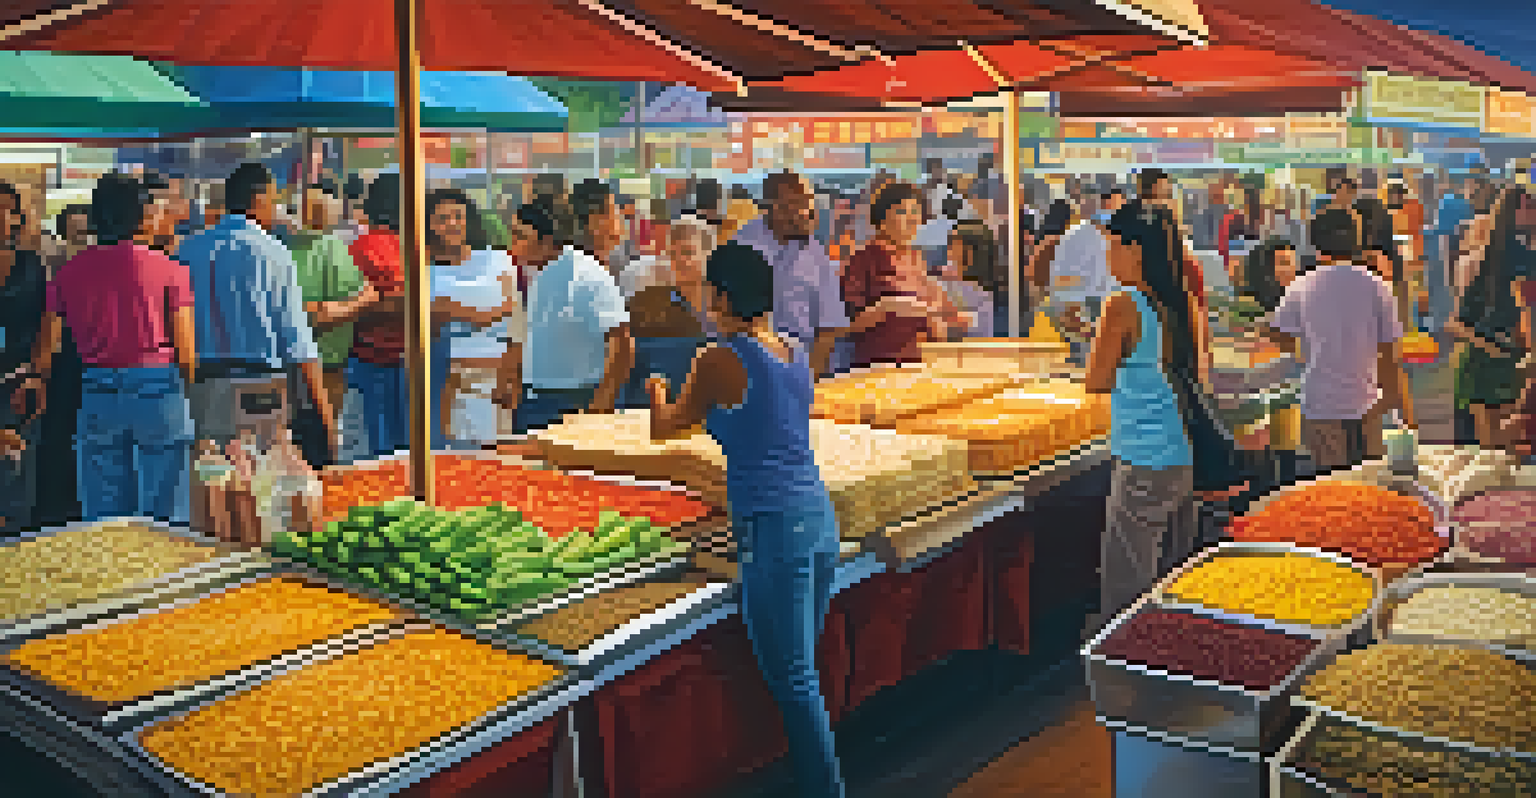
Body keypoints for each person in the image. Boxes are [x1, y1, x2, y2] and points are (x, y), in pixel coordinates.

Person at [647, 241, 845, 798]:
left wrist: (657, 390)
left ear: (724, 296)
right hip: (817, 518)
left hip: (774, 528)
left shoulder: (720, 357)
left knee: (796, 680)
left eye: (710, 290)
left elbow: (668, 428)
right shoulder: (792, 351)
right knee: (802, 669)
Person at [38, 173, 197, 523]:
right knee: (165, 511)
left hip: (97, 393)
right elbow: (187, 354)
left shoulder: (67, 273)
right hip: (159, 393)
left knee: (103, 512)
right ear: (141, 218)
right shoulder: (173, 271)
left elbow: (46, 351)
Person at [1085, 202, 1196, 625]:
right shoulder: (1181, 301)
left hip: (1144, 461)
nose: (1109, 256)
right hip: (1181, 453)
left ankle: (1130, 674)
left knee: (1128, 587)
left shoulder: (1122, 305)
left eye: (1113, 246)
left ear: (1135, 250)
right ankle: (1169, 664)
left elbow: (1097, 379)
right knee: (1172, 577)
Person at [177, 163, 336, 457]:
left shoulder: (186, 249)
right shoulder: (273, 252)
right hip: (261, 386)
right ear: (259, 199)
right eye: (274, 201)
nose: (276, 210)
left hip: (199, 385)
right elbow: (298, 340)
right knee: (261, 482)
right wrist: (325, 415)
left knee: (210, 480)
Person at [1267, 208, 1413, 473]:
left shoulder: (1302, 285)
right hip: (1368, 404)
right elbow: (1392, 354)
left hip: (1320, 404)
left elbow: (1278, 333)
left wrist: (1305, 346)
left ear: (1314, 243)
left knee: (1333, 492)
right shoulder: (1377, 285)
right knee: (1369, 490)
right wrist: (1395, 404)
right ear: (1358, 240)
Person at [518, 179, 634, 433]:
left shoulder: (580, 271)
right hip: (552, 399)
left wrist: (600, 407)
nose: (622, 222)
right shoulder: (564, 271)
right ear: (596, 220)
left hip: (573, 398)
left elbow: (621, 343)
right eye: (615, 211)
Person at [427, 187, 523, 448]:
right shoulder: (426, 271)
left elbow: (514, 315)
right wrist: (487, 313)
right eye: (442, 219)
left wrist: (460, 312)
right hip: (450, 379)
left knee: (497, 457)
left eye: (458, 216)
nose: (452, 224)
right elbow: (428, 323)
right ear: (430, 226)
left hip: (497, 376)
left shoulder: (498, 259)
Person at [291, 182, 376, 467]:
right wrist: (352, 303)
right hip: (322, 366)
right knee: (321, 449)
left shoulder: (276, 245)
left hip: (291, 366)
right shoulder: (329, 246)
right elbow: (320, 314)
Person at [732, 171, 851, 375]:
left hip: (809, 368)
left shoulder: (814, 250)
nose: (812, 211)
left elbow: (830, 327)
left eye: (811, 202)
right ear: (776, 208)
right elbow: (730, 327)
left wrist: (805, 381)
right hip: (756, 369)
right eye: (803, 204)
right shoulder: (741, 249)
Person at [842, 181, 970, 368]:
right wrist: (885, 307)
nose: (913, 220)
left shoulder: (915, 259)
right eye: (903, 212)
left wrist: (946, 318)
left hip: (919, 365)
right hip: (876, 368)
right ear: (882, 219)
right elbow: (846, 326)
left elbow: (931, 316)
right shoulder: (862, 261)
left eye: (916, 212)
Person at [1446, 188, 1530, 449]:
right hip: (1499, 363)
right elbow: (1458, 321)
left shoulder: (1487, 260)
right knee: (1497, 453)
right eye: (1527, 206)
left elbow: (1459, 321)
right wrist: (1497, 346)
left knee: (1496, 453)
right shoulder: (1489, 261)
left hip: (1500, 361)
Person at [621, 215, 719, 407]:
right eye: (672, 254)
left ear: (710, 255)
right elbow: (628, 368)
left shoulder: (728, 311)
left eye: (688, 252)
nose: (680, 260)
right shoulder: (648, 308)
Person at [0, 181, 48, 534]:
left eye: (7, 209)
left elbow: (49, 322)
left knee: (18, 477)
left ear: (18, 217)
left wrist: (37, 375)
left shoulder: (33, 265)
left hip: (19, 383)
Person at [939, 220, 996, 339]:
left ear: (969, 251)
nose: (949, 246)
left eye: (954, 242)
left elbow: (966, 324)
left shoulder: (983, 294)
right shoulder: (943, 281)